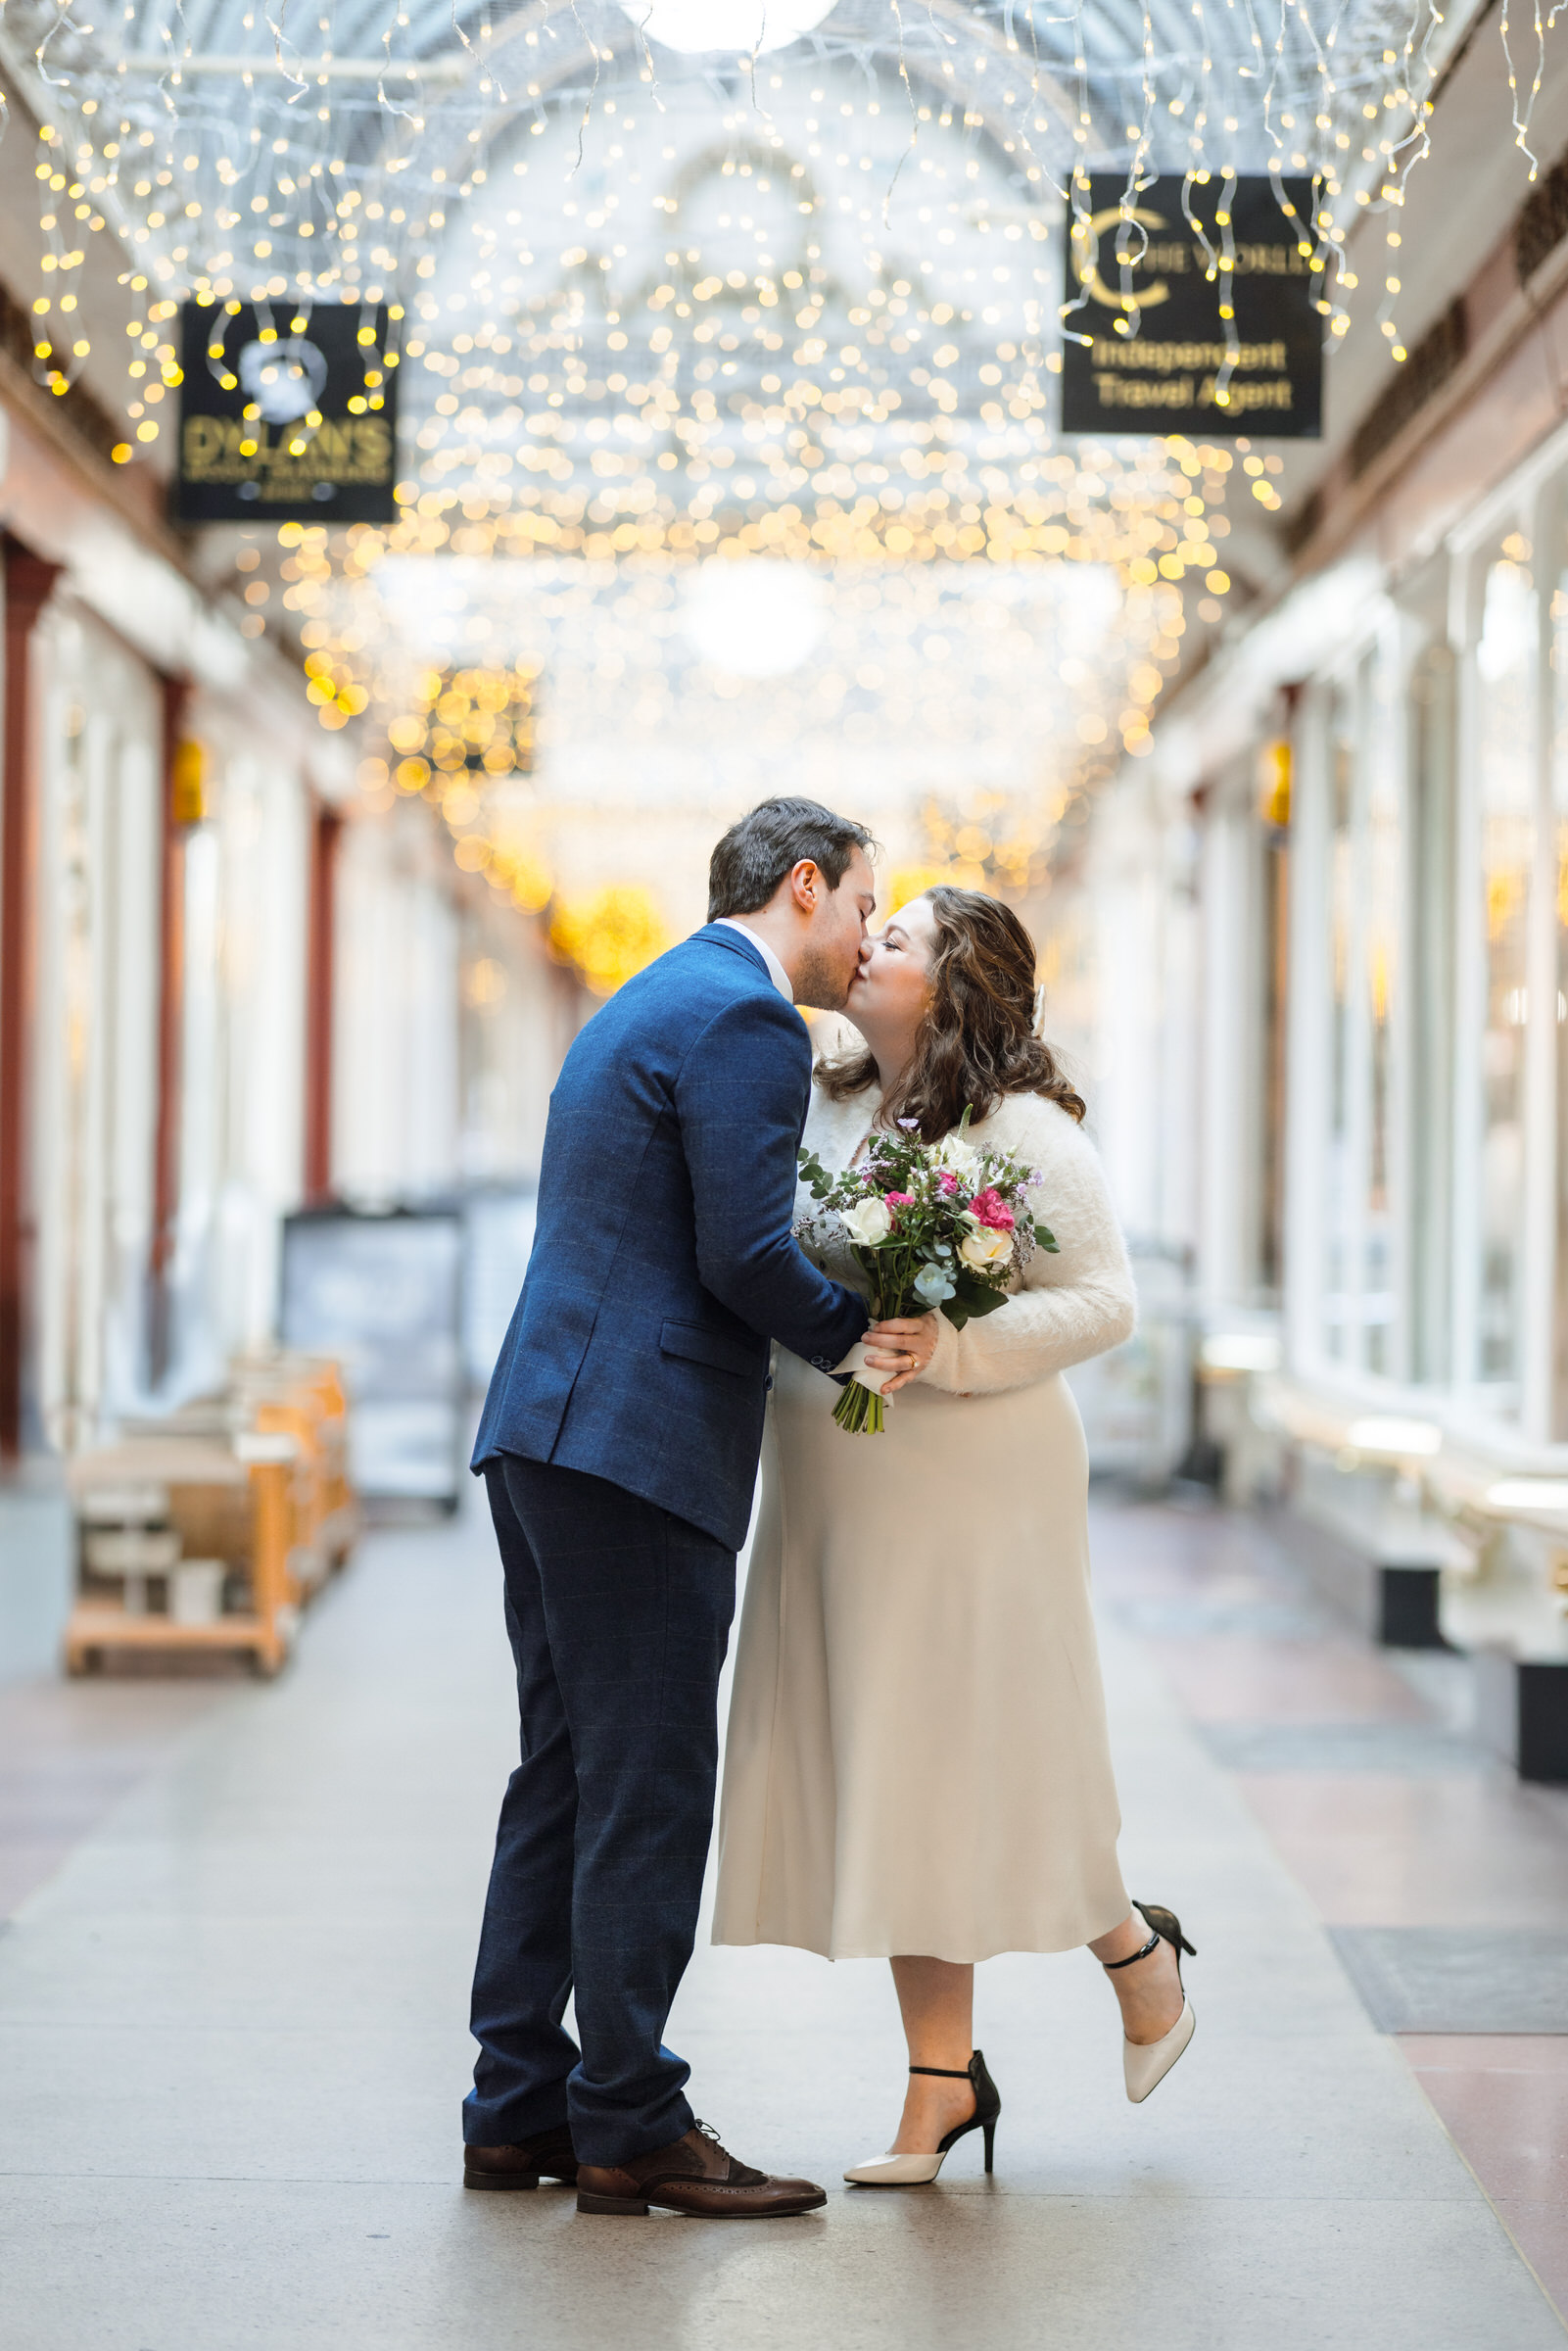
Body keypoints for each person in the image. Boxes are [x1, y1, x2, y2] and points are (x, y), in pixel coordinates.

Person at [461, 795, 917, 2221]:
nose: (861, 935)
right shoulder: (745, 1020)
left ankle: (518, 2104)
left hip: (548, 1431)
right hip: (634, 1449)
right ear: (803, 885)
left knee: (567, 1774)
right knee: (646, 1785)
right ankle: (631, 2124)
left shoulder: (651, 992)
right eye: (859, 905)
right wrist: (858, 1330)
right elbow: (743, 1252)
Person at [713, 886, 1197, 2186]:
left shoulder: (1024, 1130)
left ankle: (1136, 1962)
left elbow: (1104, 1301)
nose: (868, 943)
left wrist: (957, 1344)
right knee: (897, 1771)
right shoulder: (822, 1085)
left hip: (977, 1484)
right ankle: (939, 2082)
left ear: (957, 981)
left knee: (991, 1753)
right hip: (838, 1483)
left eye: (900, 936)